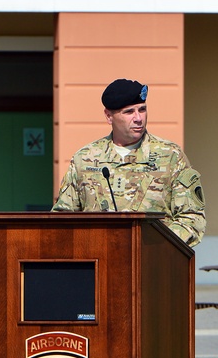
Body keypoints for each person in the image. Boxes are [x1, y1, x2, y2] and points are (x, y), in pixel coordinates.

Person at [52, 78, 206, 247]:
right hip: (97, 262)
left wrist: (153, 245)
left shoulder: (170, 156)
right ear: (109, 116)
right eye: (129, 112)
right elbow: (62, 220)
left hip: (154, 263)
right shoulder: (85, 158)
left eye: (142, 110)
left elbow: (192, 218)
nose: (138, 118)